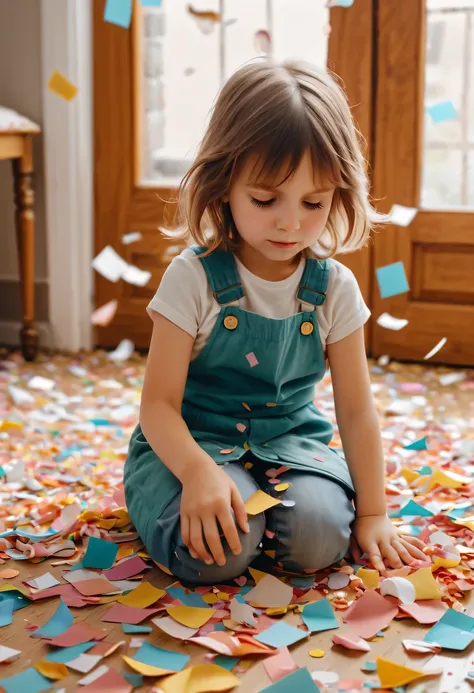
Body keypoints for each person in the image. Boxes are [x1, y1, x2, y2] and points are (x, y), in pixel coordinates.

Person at [124, 58, 426, 585]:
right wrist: (197, 473)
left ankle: (267, 517)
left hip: (290, 442)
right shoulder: (191, 278)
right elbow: (158, 406)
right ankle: (189, 504)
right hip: (192, 442)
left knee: (318, 540)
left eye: (314, 202)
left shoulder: (334, 288)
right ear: (224, 186)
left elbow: (356, 412)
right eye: (265, 200)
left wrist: (374, 514)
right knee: (216, 550)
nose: (291, 222)